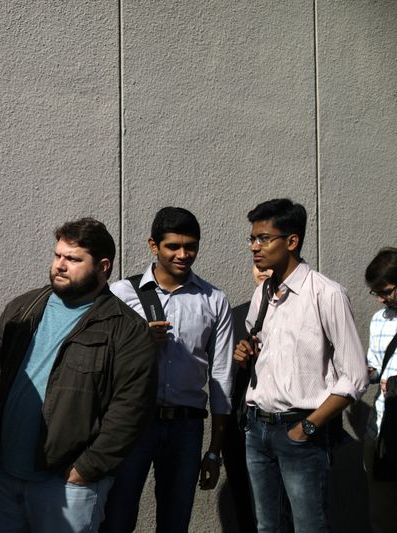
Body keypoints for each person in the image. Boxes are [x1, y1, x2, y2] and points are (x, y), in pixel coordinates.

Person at [0, 217, 157, 533]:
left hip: (65, 488)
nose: (60, 265)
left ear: (103, 267)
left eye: (73, 259)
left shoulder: (127, 330)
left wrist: (86, 469)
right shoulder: (22, 309)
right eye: (58, 255)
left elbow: (130, 412)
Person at [234, 198, 368, 533]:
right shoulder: (263, 292)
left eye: (264, 238)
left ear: (291, 241)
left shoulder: (327, 294)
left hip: (299, 430)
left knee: (309, 526)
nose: (255, 247)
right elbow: (261, 346)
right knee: (267, 527)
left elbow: (354, 377)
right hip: (257, 428)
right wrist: (246, 350)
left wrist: (307, 428)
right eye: (252, 239)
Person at [101, 206, 235, 533]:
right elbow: (98, 360)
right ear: (153, 246)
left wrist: (215, 450)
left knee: (176, 522)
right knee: (116, 518)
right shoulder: (122, 293)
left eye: (190, 246)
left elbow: (221, 377)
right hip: (132, 421)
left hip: (187, 426)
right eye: (173, 246)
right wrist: (139, 341)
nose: (182, 254)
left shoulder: (213, 299)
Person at [223, 264, 271, 533]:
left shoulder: (304, 312)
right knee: (245, 509)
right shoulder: (235, 316)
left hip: (283, 428)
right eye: (256, 263)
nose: (262, 268)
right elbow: (218, 373)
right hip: (239, 427)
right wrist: (235, 360)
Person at [362, 247, 397, 533]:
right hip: (382, 428)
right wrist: (360, 372)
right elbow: (375, 367)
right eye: (376, 292)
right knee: (382, 514)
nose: (381, 299)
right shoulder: (379, 320)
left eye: (386, 291)